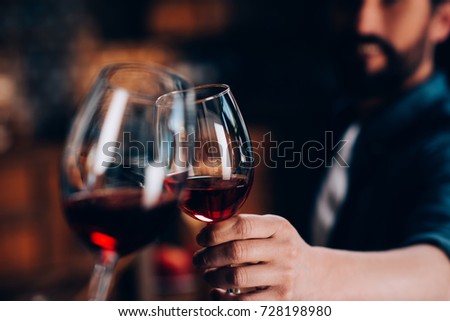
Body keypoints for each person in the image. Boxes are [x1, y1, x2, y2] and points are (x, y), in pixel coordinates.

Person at [191, 0, 450, 300]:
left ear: (442, 20)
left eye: (390, 3)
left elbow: (442, 272)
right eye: (348, 3)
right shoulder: (326, 123)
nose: (362, 24)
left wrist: (312, 275)